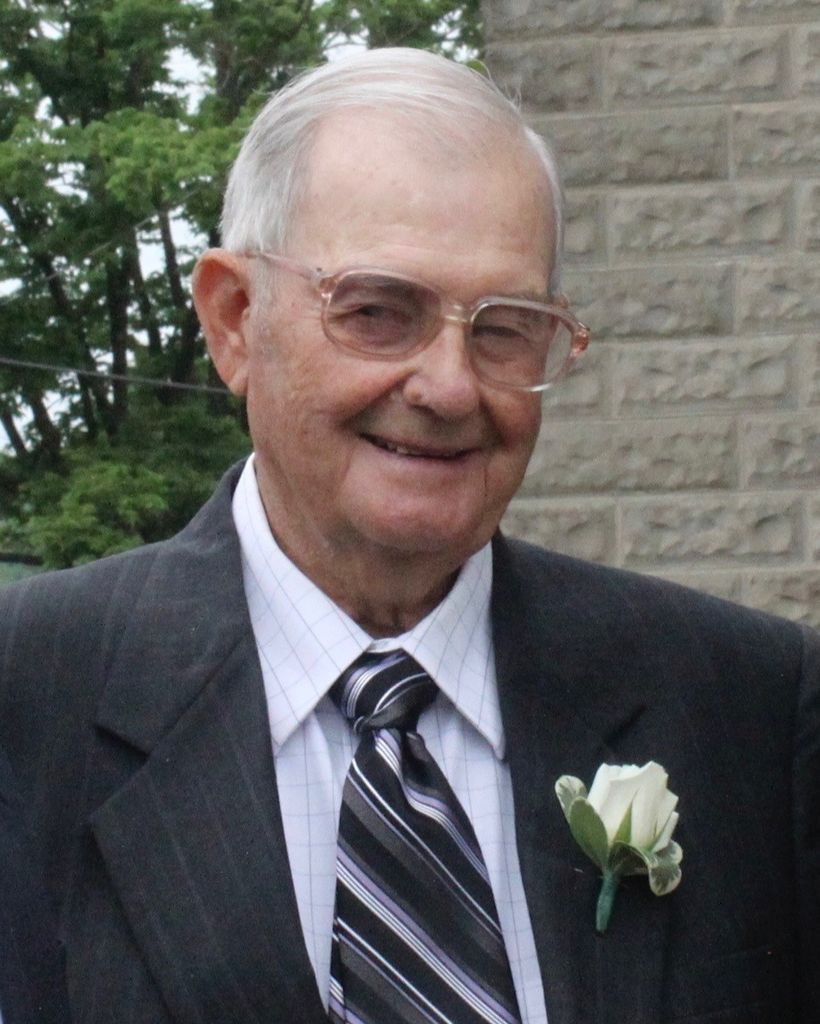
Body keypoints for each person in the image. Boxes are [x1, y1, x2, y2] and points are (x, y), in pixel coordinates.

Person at [0, 47, 817, 1024]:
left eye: (505, 327)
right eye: (378, 312)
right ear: (234, 320)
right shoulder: (30, 697)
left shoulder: (745, 706)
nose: (450, 386)